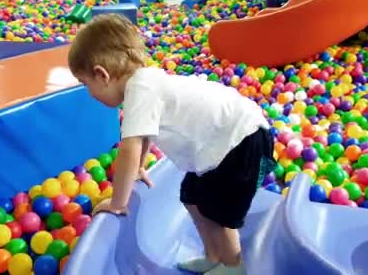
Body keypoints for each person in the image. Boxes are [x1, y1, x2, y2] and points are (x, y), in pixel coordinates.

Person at [67, 14, 275, 275]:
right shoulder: (144, 82)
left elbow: (130, 147)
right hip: (226, 144)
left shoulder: (139, 89)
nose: (89, 93)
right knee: (192, 198)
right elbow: (142, 138)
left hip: (242, 141)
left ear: (102, 74)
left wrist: (118, 203)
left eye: (86, 84)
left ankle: (233, 267)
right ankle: (212, 255)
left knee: (220, 215)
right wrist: (140, 168)